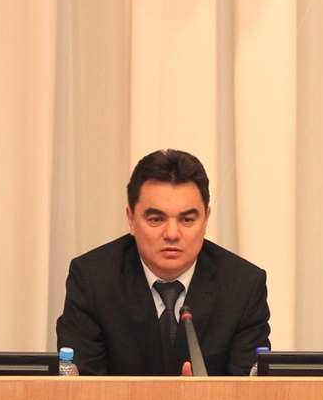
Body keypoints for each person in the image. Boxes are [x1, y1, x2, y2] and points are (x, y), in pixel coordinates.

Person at [56, 149, 272, 375]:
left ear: (206, 219)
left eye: (187, 219)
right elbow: (82, 387)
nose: (172, 233)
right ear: (131, 219)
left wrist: (203, 395)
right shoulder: (93, 279)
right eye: (156, 219)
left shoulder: (242, 286)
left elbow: (248, 390)